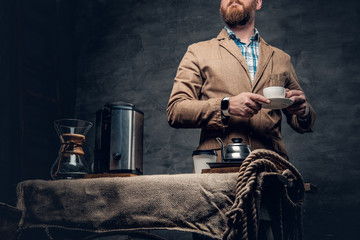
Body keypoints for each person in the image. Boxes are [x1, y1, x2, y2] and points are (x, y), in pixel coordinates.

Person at [166, 0, 315, 161]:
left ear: (258, 3)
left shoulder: (281, 58)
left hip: (272, 164)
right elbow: (176, 111)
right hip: (217, 165)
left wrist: (303, 112)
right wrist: (226, 106)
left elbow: (303, 123)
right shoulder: (197, 52)